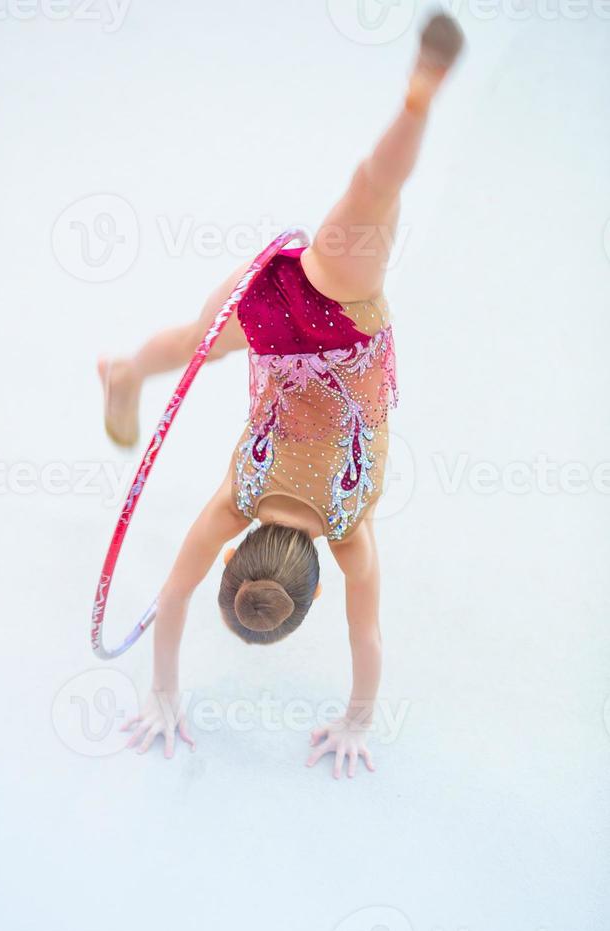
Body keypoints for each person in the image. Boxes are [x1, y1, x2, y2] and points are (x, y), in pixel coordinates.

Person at [100, 12, 464, 777]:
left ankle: (421, 93)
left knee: (375, 193)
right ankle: (128, 373)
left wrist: (357, 720)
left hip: (335, 319)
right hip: (274, 313)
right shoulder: (234, 502)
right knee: (364, 195)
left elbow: (367, 644)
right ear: (236, 555)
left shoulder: (351, 537)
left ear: (317, 587)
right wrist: (162, 691)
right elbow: (172, 599)